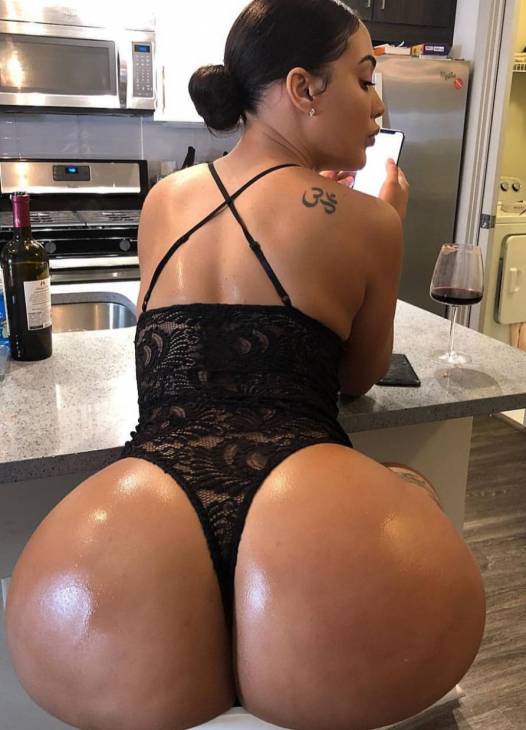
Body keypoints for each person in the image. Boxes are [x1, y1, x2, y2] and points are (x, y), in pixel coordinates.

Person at [5, 2, 485, 729]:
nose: (378, 105)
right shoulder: (368, 220)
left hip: (147, 506)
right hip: (309, 502)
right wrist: (383, 215)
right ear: (303, 88)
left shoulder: (165, 199)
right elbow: (359, 376)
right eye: (364, 79)